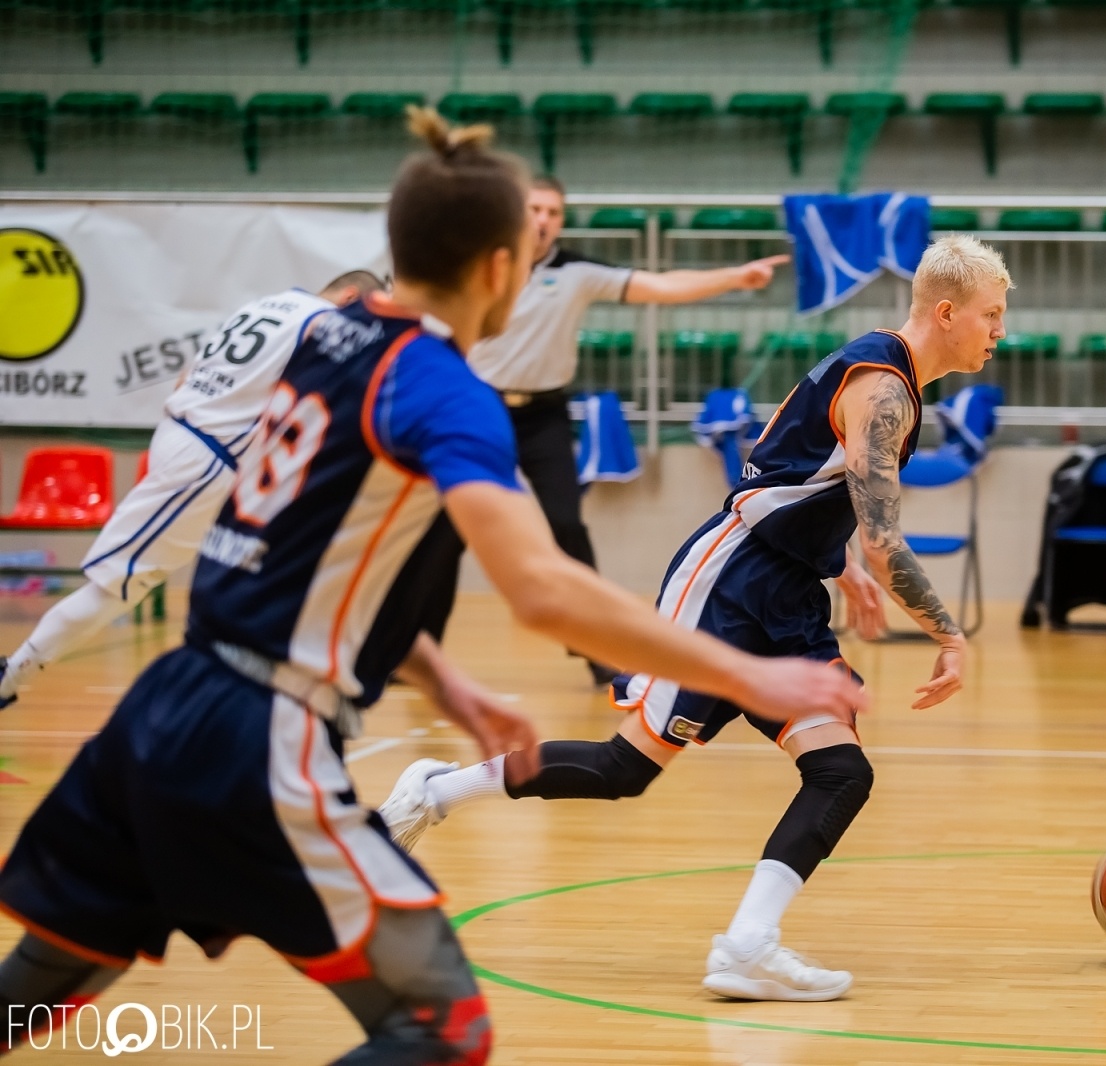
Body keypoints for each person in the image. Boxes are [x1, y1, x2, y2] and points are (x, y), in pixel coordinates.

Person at [0, 109, 861, 1061]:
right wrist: (751, 676)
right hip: (258, 732)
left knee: (49, 972)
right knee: (441, 1026)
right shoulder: (446, 392)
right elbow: (542, 590)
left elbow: (308, 551)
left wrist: (444, 684)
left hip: (162, 706)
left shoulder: (327, 337)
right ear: (501, 268)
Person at [378, 234, 1009, 1003]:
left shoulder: (880, 372)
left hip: (787, 592)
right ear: (947, 313)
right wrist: (948, 631)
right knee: (624, 771)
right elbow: (882, 540)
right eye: (991, 316)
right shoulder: (885, 392)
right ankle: (435, 790)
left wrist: (833, 562)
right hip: (731, 585)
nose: (998, 333)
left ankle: (748, 946)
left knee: (840, 771)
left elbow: (794, 471)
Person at [426, 176, 791, 685]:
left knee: (567, 527)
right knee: (443, 530)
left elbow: (658, 286)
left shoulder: (575, 272)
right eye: (533, 208)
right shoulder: (481, 264)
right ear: (514, 212)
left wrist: (733, 277)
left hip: (543, 414)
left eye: (552, 211)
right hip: (478, 409)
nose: (542, 219)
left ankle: (596, 649)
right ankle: (420, 651)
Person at [0, 271, 383, 708]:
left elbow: (187, 376)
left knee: (269, 565)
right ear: (350, 296)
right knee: (118, 585)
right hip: (204, 461)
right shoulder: (323, 324)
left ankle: (274, 680)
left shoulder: (267, 304)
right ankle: (11, 676)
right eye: (363, 313)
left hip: (188, 440)